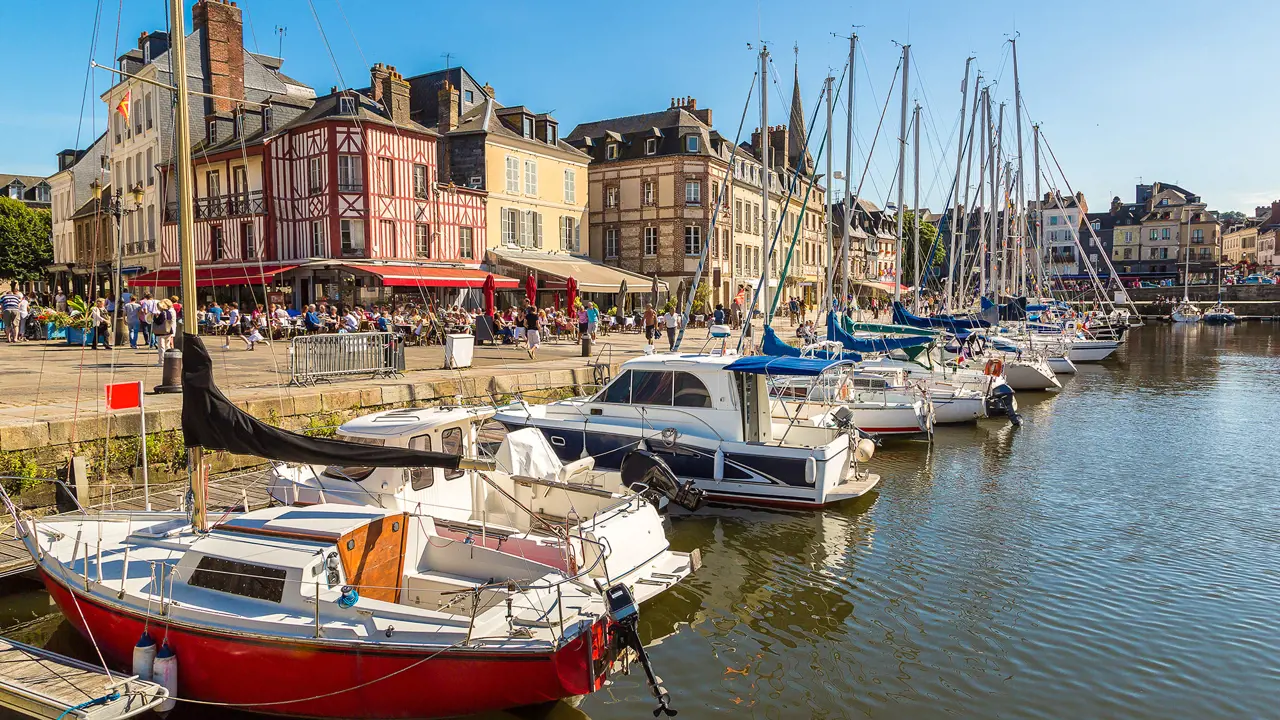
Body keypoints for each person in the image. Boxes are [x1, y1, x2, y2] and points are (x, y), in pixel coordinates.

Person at [152, 298, 176, 366]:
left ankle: (161, 361)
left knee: (161, 347)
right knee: (167, 346)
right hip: (168, 331)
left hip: (162, 332)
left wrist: (155, 317)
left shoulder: (162, 313)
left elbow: (159, 322)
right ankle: (168, 360)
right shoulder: (169, 312)